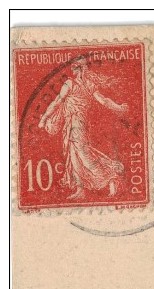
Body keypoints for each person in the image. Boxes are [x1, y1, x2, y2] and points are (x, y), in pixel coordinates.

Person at [37, 56, 128, 200]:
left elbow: (56, 102)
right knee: (75, 155)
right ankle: (81, 189)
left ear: (79, 69)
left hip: (76, 123)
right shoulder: (89, 85)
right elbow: (104, 101)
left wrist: (43, 119)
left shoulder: (70, 84)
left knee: (83, 155)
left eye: (74, 67)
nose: (72, 70)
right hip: (75, 123)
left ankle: (110, 177)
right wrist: (118, 107)